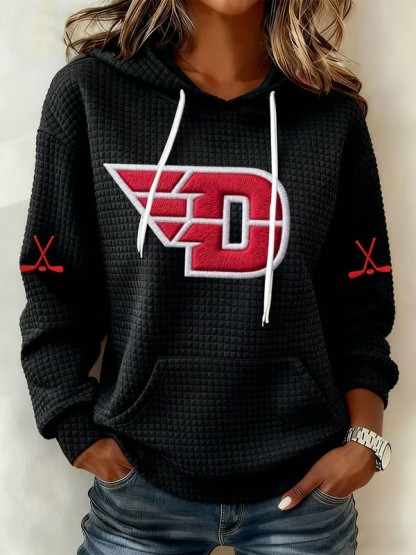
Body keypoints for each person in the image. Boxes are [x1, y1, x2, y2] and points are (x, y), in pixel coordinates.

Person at [18, 0, 399, 553]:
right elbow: (54, 284)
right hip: (141, 491)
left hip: (304, 489)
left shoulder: (328, 113)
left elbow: (361, 302)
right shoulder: (90, 95)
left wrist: (365, 441)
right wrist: (74, 427)